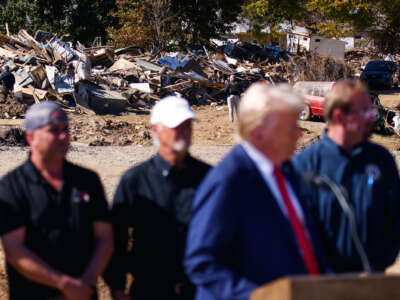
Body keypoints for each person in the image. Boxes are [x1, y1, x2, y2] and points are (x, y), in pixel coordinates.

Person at [184, 83, 326, 300]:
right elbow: (202, 263)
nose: (299, 134)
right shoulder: (229, 180)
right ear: (259, 131)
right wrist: (256, 296)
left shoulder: (288, 172)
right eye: (290, 127)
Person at [0, 102, 114, 300]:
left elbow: (105, 238)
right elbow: (14, 250)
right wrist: (64, 284)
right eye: (53, 130)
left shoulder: (87, 180)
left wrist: (84, 283)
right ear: (31, 137)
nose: (64, 136)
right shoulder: (12, 186)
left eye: (66, 130)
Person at [105, 96, 211, 300]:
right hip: (150, 289)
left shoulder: (208, 178)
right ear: (155, 130)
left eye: (187, 125)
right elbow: (116, 238)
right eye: (176, 126)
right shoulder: (135, 181)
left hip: (199, 291)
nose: (184, 131)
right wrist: (116, 286)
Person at [292, 80, 400, 273]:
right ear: (339, 116)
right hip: (318, 286)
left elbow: (395, 220)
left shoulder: (381, 160)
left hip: (371, 283)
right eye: (364, 112)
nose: (370, 118)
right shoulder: (304, 166)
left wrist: (377, 264)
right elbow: (293, 233)